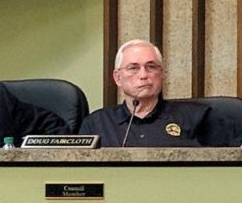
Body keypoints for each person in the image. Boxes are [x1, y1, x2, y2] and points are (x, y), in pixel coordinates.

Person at [76, 39, 232, 147]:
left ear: (162, 73)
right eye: (133, 68)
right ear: (118, 78)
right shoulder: (96, 123)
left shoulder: (197, 116)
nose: (143, 75)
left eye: (151, 67)